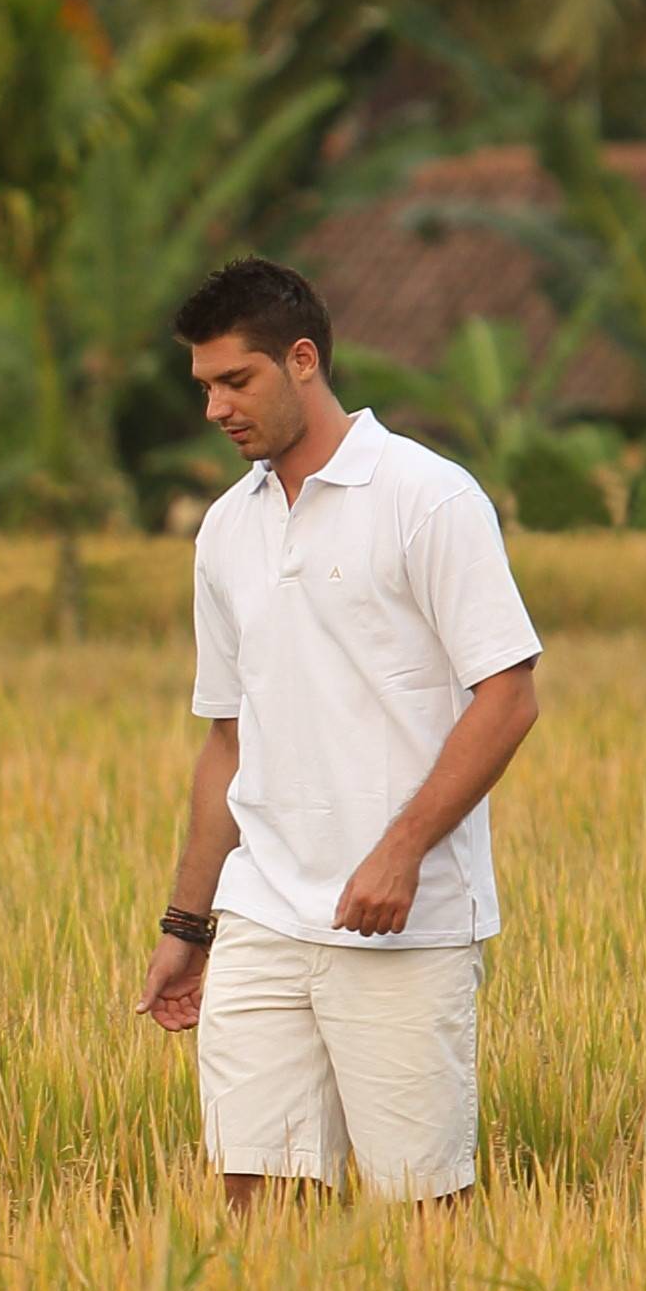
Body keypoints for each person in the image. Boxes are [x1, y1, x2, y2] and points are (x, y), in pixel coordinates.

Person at [134, 259, 541, 1204]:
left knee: (421, 1207)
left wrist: (400, 851)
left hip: (405, 925)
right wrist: (187, 927)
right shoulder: (225, 530)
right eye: (204, 387)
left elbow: (509, 695)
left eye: (236, 380)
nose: (216, 410)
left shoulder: (428, 497)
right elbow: (226, 744)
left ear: (303, 360)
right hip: (262, 916)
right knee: (255, 1199)